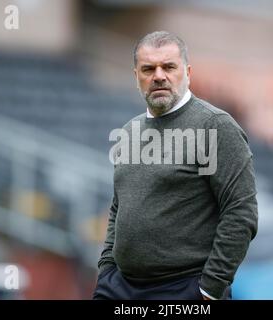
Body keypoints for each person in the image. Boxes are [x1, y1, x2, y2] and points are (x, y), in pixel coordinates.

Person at [92, 31, 258, 300]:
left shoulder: (215, 127)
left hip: (183, 290)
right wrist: (107, 272)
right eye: (148, 68)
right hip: (120, 288)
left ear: (187, 72)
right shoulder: (129, 131)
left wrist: (210, 288)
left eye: (169, 66)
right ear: (137, 77)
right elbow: (117, 207)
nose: (158, 76)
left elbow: (241, 211)